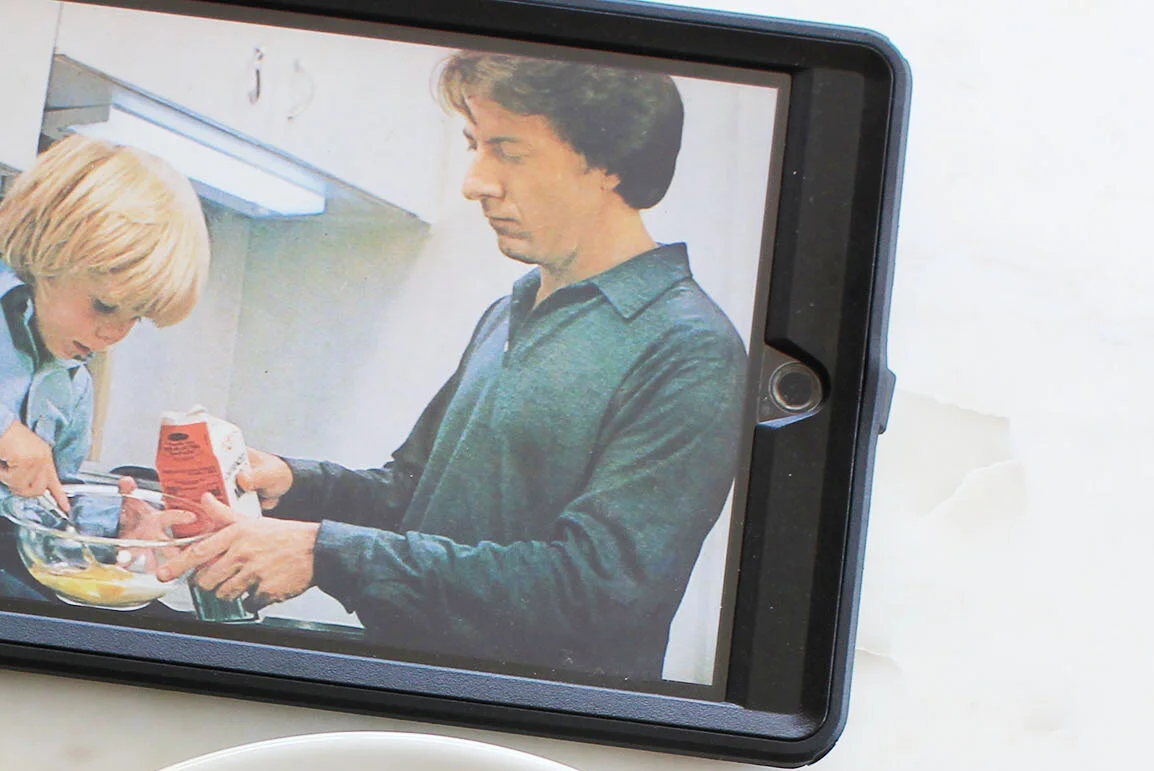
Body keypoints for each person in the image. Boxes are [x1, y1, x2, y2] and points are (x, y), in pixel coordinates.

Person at [171, 53, 750, 679]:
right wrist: (292, 484)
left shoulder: (688, 348)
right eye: (475, 145)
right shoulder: (511, 310)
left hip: (527, 728)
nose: (476, 182)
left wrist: (326, 553)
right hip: (413, 685)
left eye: (510, 151)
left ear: (607, 162)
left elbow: (597, 590)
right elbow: (412, 496)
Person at [0, 134, 210, 600]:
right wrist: (0, 429)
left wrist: (113, 524)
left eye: (135, 317)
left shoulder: (73, 380)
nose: (115, 334)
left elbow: (51, 498)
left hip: (0, 545)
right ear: (51, 249)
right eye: (105, 305)